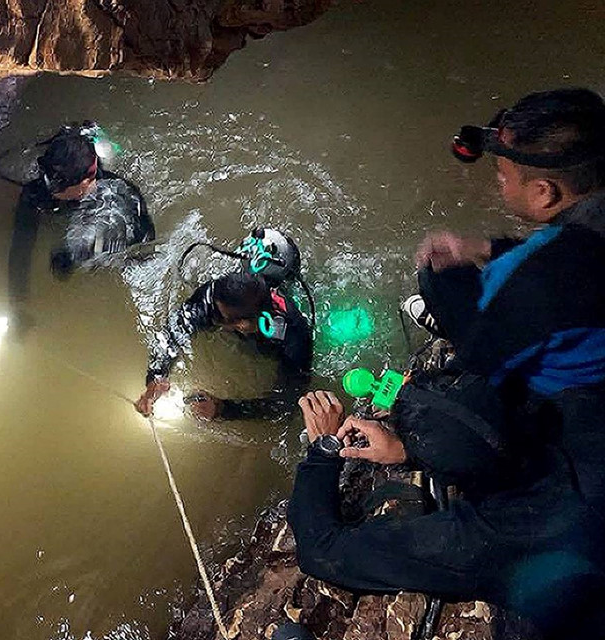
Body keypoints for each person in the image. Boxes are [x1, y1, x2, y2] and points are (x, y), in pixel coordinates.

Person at [287, 388, 605, 639]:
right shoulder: (575, 407)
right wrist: (409, 447)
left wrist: (323, 449)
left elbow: (321, 549)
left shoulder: (488, 538)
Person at [404, 88, 605, 399]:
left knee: (438, 275)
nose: (499, 185)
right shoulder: (580, 236)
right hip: (586, 338)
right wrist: (486, 248)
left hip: (571, 403)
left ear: (543, 192)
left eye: (502, 177)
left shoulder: (526, 277)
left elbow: (477, 362)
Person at [7, 125, 155, 319]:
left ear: (84, 183)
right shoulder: (36, 192)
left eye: (58, 187)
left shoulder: (118, 193)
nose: (50, 189)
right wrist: (18, 304)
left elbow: (143, 246)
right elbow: (20, 248)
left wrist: (78, 253)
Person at [134, 271, 312, 420]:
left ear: (242, 325)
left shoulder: (295, 339)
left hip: (271, 345)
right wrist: (156, 377)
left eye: (221, 318)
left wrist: (223, 409)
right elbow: (174, 330)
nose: (213, 318)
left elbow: (286, 404)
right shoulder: (214, 297)